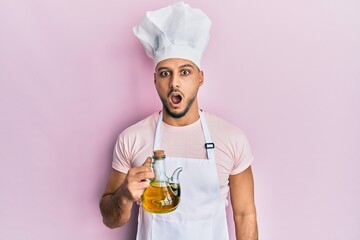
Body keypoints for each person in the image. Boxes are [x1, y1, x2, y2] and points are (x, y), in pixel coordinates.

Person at [99, 2, 258, 240]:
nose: (174, 82)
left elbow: (245, 215)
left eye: (185, 72)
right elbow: (110, 220)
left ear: (200, 78)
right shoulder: (132, 138)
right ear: (155, 80)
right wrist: (124, 195)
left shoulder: (231, 138)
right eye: (165, 73)